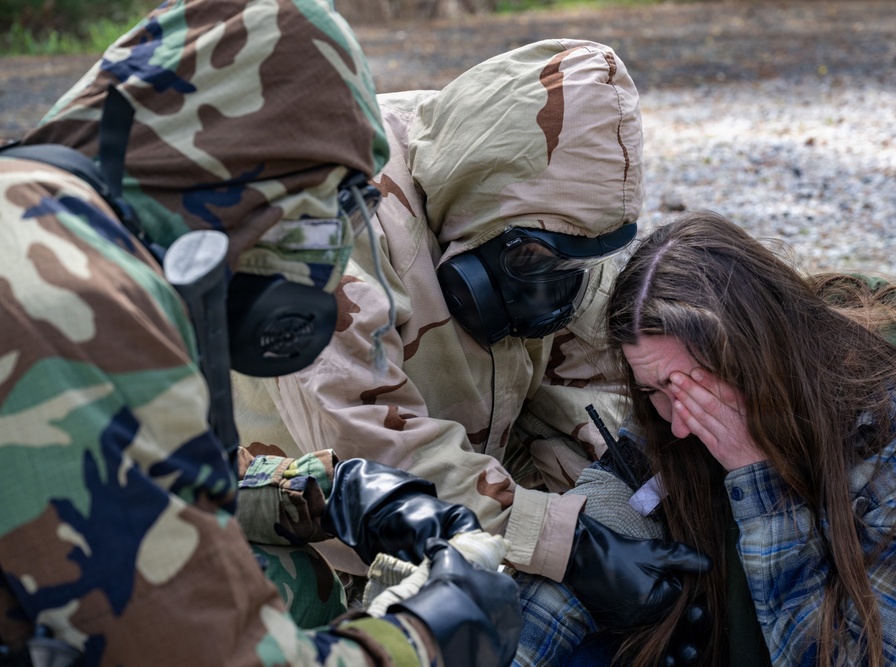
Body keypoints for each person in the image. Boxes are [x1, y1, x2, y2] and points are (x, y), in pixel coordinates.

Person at [0, 0, 522, 665]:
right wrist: (432, 636)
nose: (330, 282)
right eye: (321, 214)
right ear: (239, 177)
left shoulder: (47, 216)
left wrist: (325, 494)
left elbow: (137, 473)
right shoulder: (74, 298)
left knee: (300, 578)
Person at [231, 37, 711, 628]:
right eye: (537, 262)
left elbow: (598, 392)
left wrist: (621, 518)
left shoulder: (559, 206)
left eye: (576, 265)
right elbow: (367, 454)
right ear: (470, 214)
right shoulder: (328, 219)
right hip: (296, 510)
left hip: (459, 476)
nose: (554, 294)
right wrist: (571, 548)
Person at [595, 210, 896, 666]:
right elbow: (608, 508)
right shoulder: (682, 390)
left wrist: (754, 474)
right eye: (653, 391)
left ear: (758, 350)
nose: (679, 425)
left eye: (695, 388)